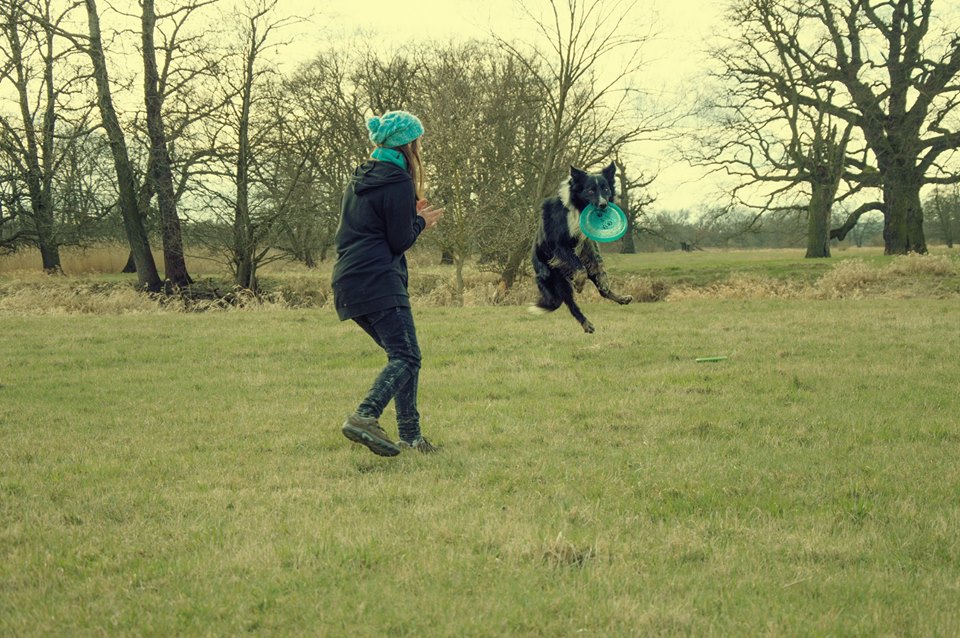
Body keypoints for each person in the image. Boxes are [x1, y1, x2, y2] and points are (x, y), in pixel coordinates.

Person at [331, 110, 443, 457]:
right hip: (379, 279)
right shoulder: (397, 180)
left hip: (348, 281)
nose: (420, 147)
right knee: (407, 356)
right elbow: (399, 240)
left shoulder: (360, 178)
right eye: (418, 141)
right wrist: (420, 222)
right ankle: (365, 415)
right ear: (408, 144)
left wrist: (410, 214)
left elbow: (371, 228)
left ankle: (411, 437)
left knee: (403, 357)